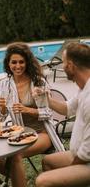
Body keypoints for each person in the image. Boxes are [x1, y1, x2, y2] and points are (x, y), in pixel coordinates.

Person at [0, 42, 52, 187]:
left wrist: (28, 110)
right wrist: (2, 108)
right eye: (14, 62)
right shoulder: (4, 84)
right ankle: (18, 178)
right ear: (8, 64)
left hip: (43, 133)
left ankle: (18, 180)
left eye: (21, 62)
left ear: (27, 62)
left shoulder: (38, 82)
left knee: (15, 155)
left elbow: (49, 113)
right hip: (19, 134)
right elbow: (1, 118)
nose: (18, 66)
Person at [35, 42, 90, 187]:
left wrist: (73, 166)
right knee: (47, 161)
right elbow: (67, 109)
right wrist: (46, 99)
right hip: (78, 153)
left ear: (71, 66)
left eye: (64, 63)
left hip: (85, 159)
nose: (62, 67)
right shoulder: (84, 88)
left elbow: (87, 151)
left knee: (42, 181)